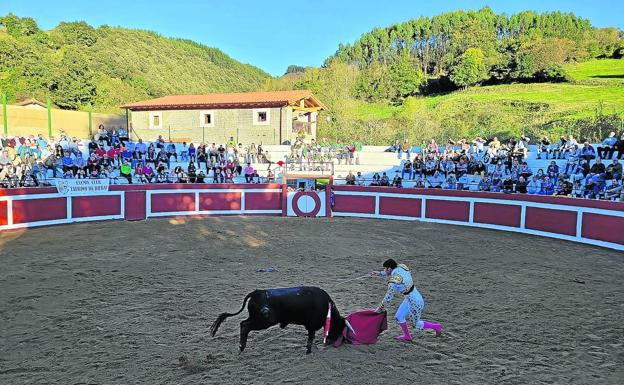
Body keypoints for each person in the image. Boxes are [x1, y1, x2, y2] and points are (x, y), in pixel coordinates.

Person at [371, 259, 442, 341]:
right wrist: (380, 273)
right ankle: (407, 336)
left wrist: (379, 309)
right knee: (399, 316)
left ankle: (436, 326)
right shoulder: (402, 266)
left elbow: (388, 298)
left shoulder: (393, 282)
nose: (384, 270)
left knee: (416, 324)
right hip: (411, 298)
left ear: (389, 268)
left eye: (385, 269)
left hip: (415, 302)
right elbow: (395, 273)